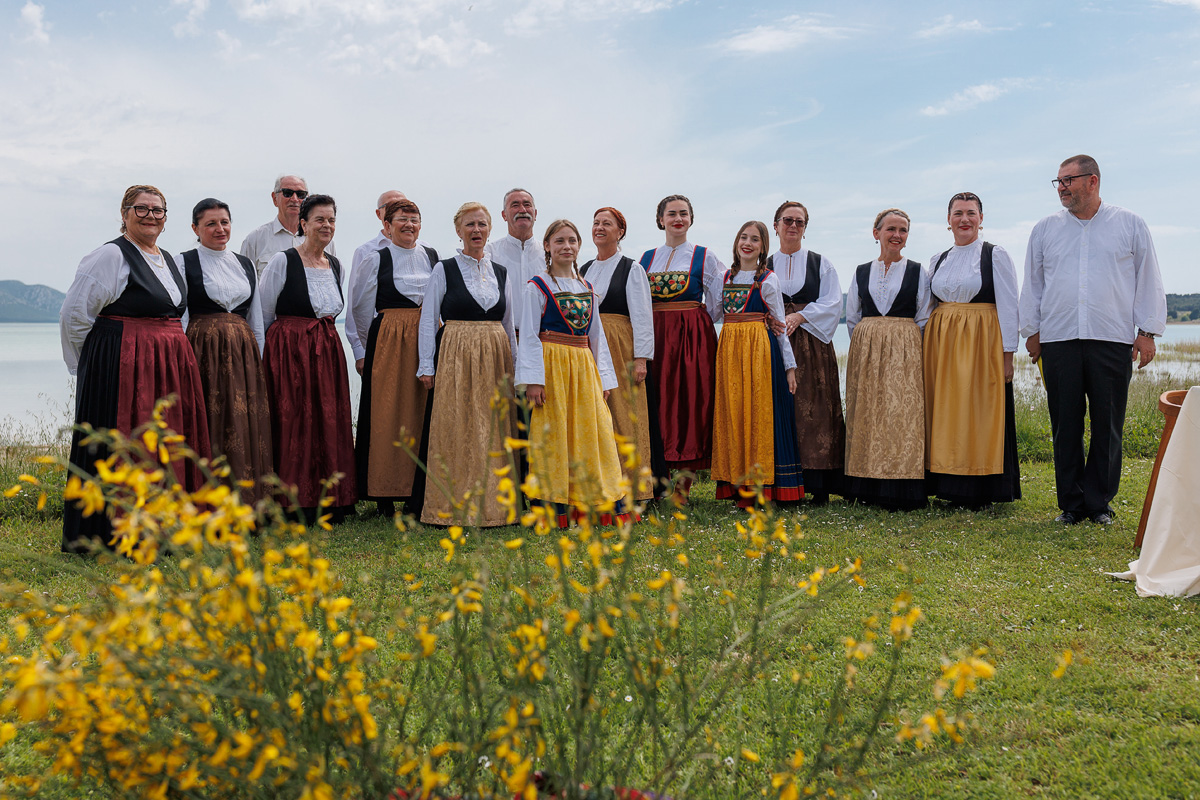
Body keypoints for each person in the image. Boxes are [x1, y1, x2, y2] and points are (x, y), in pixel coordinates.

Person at [59, 185, 211, 553]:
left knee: (165, 442)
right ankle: (114, 532)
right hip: (124, 362)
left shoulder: (169, 259)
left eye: (158, 210)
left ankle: (165, 527)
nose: (150, 216)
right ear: (124, 214)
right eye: (140, 209)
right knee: (129, 442)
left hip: (168, 362)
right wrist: (92, 365)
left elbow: (176, 313)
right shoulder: (111, 255)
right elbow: (75, 314)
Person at [1019, 155, 1167, 525]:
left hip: (1112, 338)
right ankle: (1071, 504)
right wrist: (1032, 333)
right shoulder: (1044, 229)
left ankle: (1099, 504)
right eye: (1058, 181)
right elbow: (1032, 285)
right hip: (1059, 339)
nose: (1062, 187)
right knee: (1065, 423)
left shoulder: (1129, 223)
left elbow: (1149, 277)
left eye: (1068, 180)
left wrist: (1146, 332)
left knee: (1108, 424)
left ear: (1093, 181)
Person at [516, 219, 629, 527]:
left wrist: (603, 378)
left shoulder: (587, 287)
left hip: (582, 365)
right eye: (560, 241)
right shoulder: (536, 286)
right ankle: (556, 506)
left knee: (594, 430)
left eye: (572, 241)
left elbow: (597, 337)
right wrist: (533, 380)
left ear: (579, 246)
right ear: (548, 247)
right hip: (552, 365)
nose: (567, 246)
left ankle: (593, 500)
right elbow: (528, 335)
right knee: (555, 434)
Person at [417, 202, 518, 527]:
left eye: (482, 225)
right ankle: (453, 506)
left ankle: (497, 507)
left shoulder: (501, 272)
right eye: (470, 225)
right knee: (458, 427)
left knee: (494, 428)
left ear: (490, 229)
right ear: (459, 231)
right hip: (456, 354)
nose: (476, 230)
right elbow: (428, 319)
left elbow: (508, 323)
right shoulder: (443, 269)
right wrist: (426, 365)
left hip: (495, 355)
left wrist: (516, 369)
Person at [259, 194, 356, 524]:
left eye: (331, 220)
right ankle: (291, 501)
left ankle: (331, 498)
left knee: (328, 421)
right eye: (319, 219)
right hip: (289, 350)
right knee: (294, 421)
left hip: (326, 348)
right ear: (303, 224)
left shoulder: (336, 264)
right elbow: (264, 312)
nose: (326, 225)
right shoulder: (283, 261)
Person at [923, 192, 1021, 507]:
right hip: (942, 344)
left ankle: (980, 488)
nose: (964, 219)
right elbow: (927, 306)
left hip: (981, 342)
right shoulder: (937, 259)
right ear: (948, 220)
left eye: (971, 213)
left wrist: (1008, 355)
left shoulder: (994, 255)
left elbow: (1009, 306)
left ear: (981, 218)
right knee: (946, 411)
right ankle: (945, 481)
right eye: (958, 213)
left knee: (979, 411)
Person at [177, 198, 273, 507]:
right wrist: (184, 361)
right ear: (195, 228)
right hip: (202, 349)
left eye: (225, 222)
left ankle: (246, 500)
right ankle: (206, 501)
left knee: (243, 423)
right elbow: (180, 316)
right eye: (211, 224)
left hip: (243, 351)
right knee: (210, 419)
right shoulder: (184, 261)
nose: (220, 229)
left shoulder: (244, 263)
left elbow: (255, 317)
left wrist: (256, 359)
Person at [348, 199, 439, 518]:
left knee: (423, 412)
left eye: (415, 218)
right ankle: (384, 492)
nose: (409, 224)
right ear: (387, 226)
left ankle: (419, 491)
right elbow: (358, 308)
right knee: (387, 413)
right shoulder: (376, 259)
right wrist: (369, 345)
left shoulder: (431, 255)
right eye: (402, 219)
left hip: (426, 337)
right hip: (389, 339)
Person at [843, 208, 932, 511]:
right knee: (866, 411)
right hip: (866, 349)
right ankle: (865, 483)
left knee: (901, 414)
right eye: (891, 229)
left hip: (905, 347)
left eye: (903, 230)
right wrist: (871, 338)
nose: (897, 235)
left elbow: (923, 316)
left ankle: (901, 487)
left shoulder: (918, 271)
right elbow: (853, 316)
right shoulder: (861, 271)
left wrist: (901, 342)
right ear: (876, 233)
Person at [639, 194, 725, 503]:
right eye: (671, 213)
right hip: (657, 335)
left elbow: (719, 301)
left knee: (691, 404)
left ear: (691, 219)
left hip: (692, 336)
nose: (678, 218)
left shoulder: (705, 256)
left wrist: (693, 320)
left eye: (683, 213)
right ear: (660, 219)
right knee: (658, 404)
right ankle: (657, 483)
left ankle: (683, 487)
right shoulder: (646, 258)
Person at [711, 221, 802, 508]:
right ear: (736, 242)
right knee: (734, 413)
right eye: (743, 237)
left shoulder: (768, 279)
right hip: (729, 350)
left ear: (763, 246)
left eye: (755, 239)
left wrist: (789, 367)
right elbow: (713, 312)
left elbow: (778, 326)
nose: (747, 243)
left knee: (758, 414)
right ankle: (738, 482)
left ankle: (762, 486)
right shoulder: (724, 277)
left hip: (759, 351)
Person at [770, 201, 845, 504]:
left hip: (812, 343)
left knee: (816, 409)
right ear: (775, 225)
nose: (793, 226)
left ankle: (819, 485)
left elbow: (833, 301)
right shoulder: (765, 264)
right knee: (779, 408)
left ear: (805, 228)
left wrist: (800, 316)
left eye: (799, 222)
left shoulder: (820, 263)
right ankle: (780, 481)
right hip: (775, 340)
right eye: (787, 220)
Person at [579, 207, 655, 502]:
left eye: (606, 224)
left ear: (620, 231)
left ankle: (635, 490)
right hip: (588, 348)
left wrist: (641, 359)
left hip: (620, 345)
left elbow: (642, 316)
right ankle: (600, 489)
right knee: (596, 416)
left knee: (625, 417)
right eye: (596, 222)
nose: (599, 228)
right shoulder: (583, 269)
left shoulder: (631, 268)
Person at [239, 174, 336, 276]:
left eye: (300, 194)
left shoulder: (326, 242)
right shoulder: (255, 240)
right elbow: (244, 283)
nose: (294, 199)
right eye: (287, 193)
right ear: (274, 198)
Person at [486, 188, 543, 337]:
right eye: (515, 205)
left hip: (544, 340)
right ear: (504, 215)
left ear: (535, 214)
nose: (522, 210)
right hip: (503, 338)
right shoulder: (489, 254)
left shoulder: (550, 254)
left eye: (527, 204)